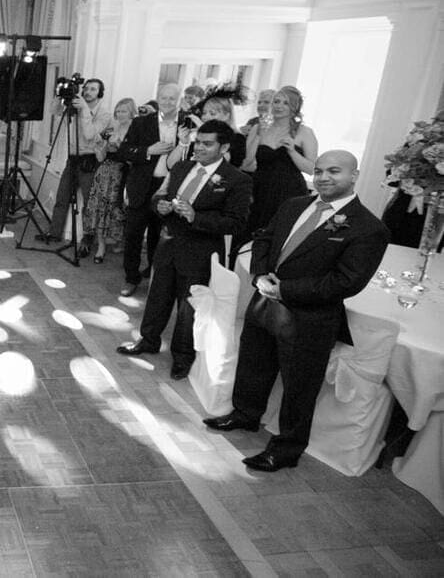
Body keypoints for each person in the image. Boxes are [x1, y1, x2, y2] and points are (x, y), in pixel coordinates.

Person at [203, 150, 389, 473]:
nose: (324, 177)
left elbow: (346, 281)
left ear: (354, 176)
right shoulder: (293, 205)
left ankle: (287, 449)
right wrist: (260, 276)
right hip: (264, 301)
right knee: (254, 363)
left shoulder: (368, 228)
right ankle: (245, 414)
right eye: (319, 171)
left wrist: (285, 290)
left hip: (309, 320)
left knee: (299, 388)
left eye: (334, 171)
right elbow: (264, 239)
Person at [116, 120, 252, 379]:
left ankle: (182, 356)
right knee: (158, 296)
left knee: (189, 307)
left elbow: (236, 223)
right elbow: (160, 195)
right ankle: (148, 340)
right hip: (168, 243)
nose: (199, 147)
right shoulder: (181, 167)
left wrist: (195, 217)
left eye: (207, 144)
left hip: (200, 250)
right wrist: (160, 206)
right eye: (197, 142)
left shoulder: (237, 180)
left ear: (224, 147)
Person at [117, 83, 183, 297]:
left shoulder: (188, 123)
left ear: (179, 100)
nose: (167, 102)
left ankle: (155, 275)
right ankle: (131, 278)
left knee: (159, 236)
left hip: (171, 189)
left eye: (172, 98)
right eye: (164, 98)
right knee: (133, 234)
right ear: (158, 98)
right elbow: (124, 151)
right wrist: (148, 150)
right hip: (142, 187)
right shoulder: (141, 122)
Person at [37, 78, 112, 251]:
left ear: (100, 93)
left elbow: (89, 134)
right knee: (62, 198)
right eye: (86, 88)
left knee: (89, 203)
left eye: (93, 89)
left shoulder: (104, 114)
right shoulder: (74, 107)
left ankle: (87, 240)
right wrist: (59, 95)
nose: (88, 92)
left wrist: (84, 109)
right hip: (72, 159)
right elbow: (54, 111)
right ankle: (54, 233)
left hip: (90, 160)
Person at [241, 85, 318, 242]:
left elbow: (311, 169)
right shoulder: (258, 127)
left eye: (285, 103)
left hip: (289, 191)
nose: (279, 106)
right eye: (276, 102)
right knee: (248, 235)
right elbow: (248, 164)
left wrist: (292, 151)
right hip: (260, 189)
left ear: (294, 107)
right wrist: (258, 136)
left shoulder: (305, 132)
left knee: (277, 237)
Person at [84, 98, 137, 263]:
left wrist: (122, 148)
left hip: (124, 175)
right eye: (118, 111)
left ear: (131, 112)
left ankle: (121, 242)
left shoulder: (136, 132)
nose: (120, 114)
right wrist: (98, 149)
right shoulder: (111, 130)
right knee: (100, 209)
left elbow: (135, 159)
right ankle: (101, 246)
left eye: (124, 111)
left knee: (119, 210)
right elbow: (101, 158)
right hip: (105, 174)